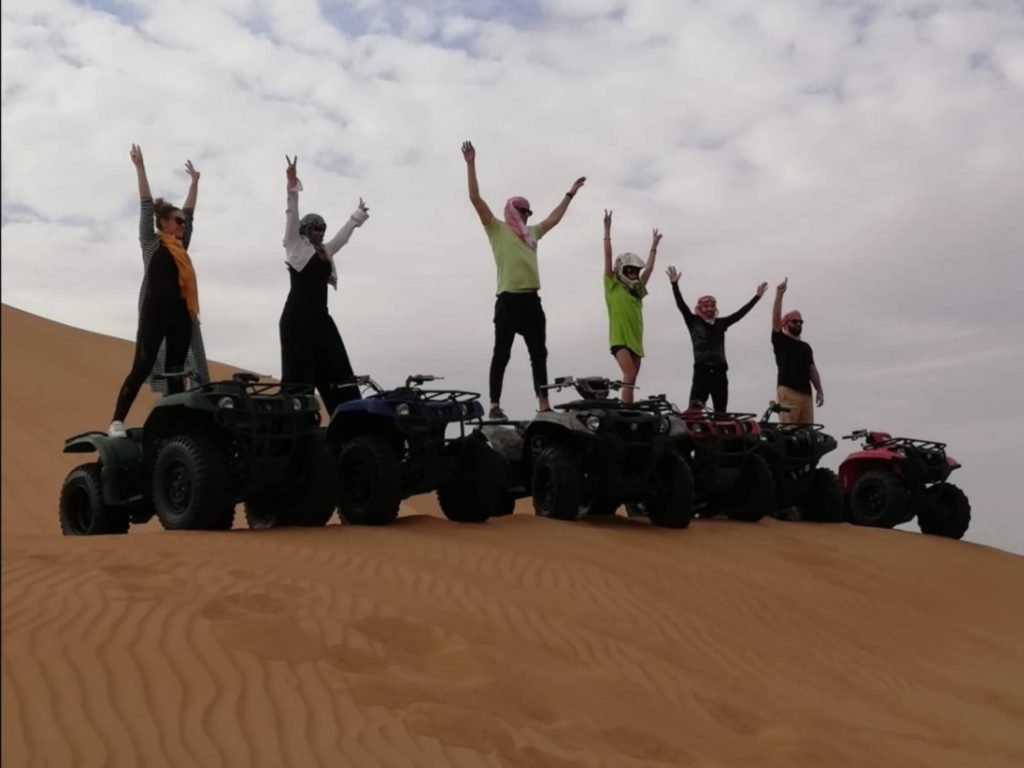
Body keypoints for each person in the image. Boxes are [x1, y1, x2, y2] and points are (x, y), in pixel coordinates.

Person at [461, 140, 586, 419]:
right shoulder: (497, 229)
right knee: (501, 354)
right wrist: (471, 165)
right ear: (512, 209)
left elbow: (553, 219)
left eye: (529, 211)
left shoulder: (532, 234)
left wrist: (570, 194)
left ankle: (543, 404)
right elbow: (475, 200)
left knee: (539, 354)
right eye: (523, 210)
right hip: (508, 300)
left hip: (531, 301)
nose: (527, 215)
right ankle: (494, 405)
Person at [109, 144, 208, 438]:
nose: (183, 224)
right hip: (154, 313)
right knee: (142, 365)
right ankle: (116, 421)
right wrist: (140, 167)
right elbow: (145, 202)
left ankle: (176, 427)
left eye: (184, 222)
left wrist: (195, 183)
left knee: (177, 371)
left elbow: (191, 211)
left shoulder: (181, 247)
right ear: (164, 223)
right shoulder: (152, 244)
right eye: (178, 221)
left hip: (180, 314)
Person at [280, 154, 369, 416]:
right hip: (296, 321)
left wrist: (357, 216)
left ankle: (349, 421)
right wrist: (292, 185)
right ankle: (297, 426)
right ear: (306, 229)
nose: (321, 231)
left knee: (339, 371)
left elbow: (342, 238)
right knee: (299, 380)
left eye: (323, 227)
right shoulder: (295, 247)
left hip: (320, 319)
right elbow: (291, 214)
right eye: (316, 227)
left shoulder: (325, 252)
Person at [667, 265, 766, 412]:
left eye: (712, 306)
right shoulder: (693, 321)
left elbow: (739, 314)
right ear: (700, 308)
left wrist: (757, 297)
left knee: (721, 412)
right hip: (702, 370)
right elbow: (681, 305)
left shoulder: (721, 323)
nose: (709, 309)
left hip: (720, 371)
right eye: (706, 306)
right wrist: (674, 284)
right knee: (694, 410)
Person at [602, 210, 659, 404]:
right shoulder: (612, 286)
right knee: (628, 374)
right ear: (622, 270)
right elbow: (608, 255)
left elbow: (649, 269)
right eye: (630, 270)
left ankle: (628, 406)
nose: (633, 273)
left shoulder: (637, 290)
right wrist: (607, 230)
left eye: (635, 271)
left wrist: (653, 247)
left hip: (636, 339)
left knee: (632, 378)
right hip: (619, 338)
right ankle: (626, 407)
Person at [771, 277, 824, 424]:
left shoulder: (806, 347)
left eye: (801, 322)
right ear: (786, 324)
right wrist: (779, 296)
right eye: (795, 321)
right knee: (788, 431)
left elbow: (812, 369)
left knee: (807, 434)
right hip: (788, 390)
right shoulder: (781, 341)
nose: (798, 324)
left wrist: (819, 390)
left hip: (806, 394)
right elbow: (775, 320)